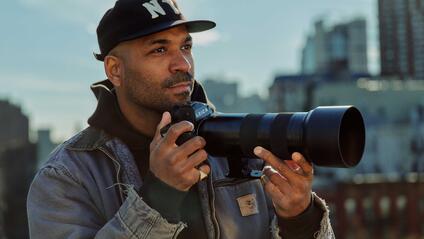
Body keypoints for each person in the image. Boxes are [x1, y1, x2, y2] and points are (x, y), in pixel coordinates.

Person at [27, 0, 334, 238]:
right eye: (159, 49)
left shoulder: (241, 148)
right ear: (114, 70)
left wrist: (300, 218)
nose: (182, 64)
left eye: (185, 46)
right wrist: (160, 195)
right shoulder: (66, 177)